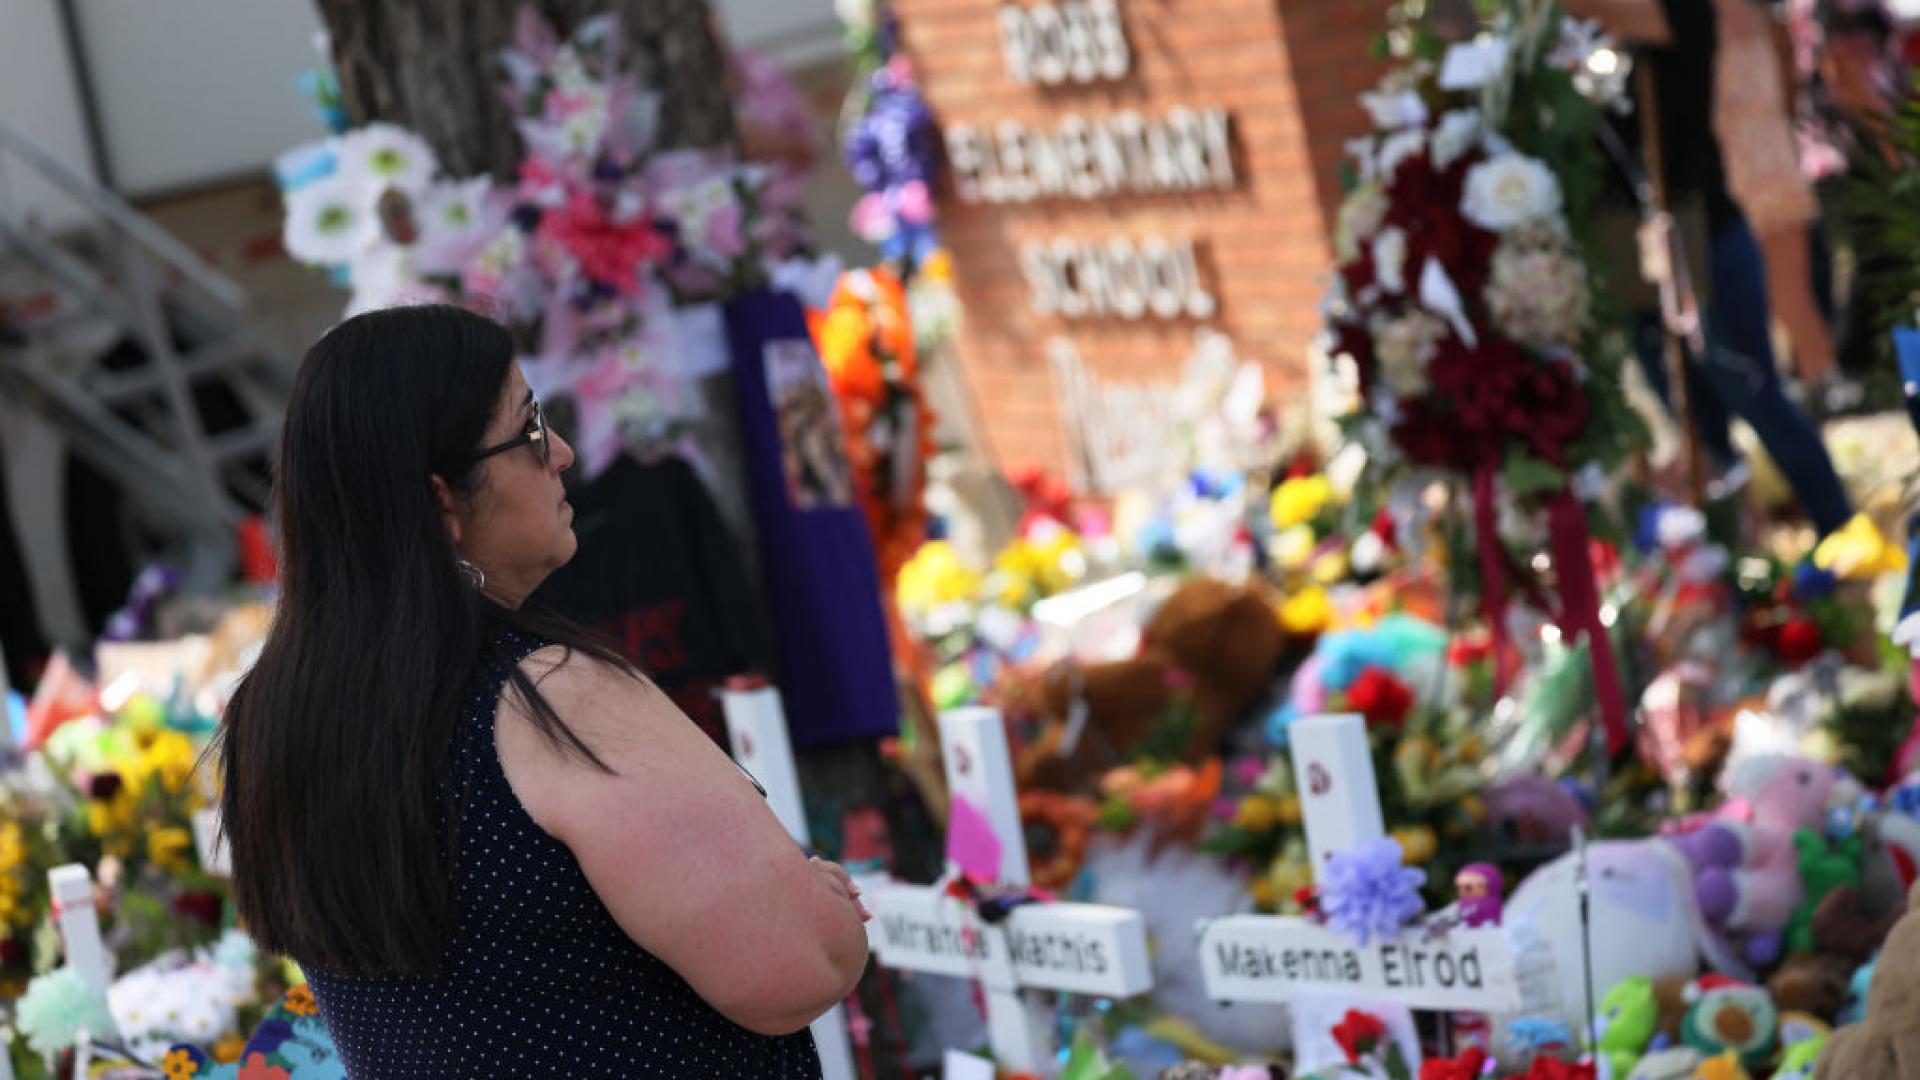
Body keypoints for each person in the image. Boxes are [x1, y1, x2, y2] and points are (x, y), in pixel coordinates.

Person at [217, 305, 869, 1077]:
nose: (561, 452)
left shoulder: (269, 720)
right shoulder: (549, 699)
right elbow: (796, 966)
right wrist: (819, 900)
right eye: (529, 428)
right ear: (443, 502)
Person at [1570, 0, 1855, 536]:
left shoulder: (1680, 8)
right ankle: (1732, 544)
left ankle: (1840, 529)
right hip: (1626, 238)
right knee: (1687, 413)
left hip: (1701, 223)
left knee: (1751, 387)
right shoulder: (1579, 34)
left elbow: (1619, 14)